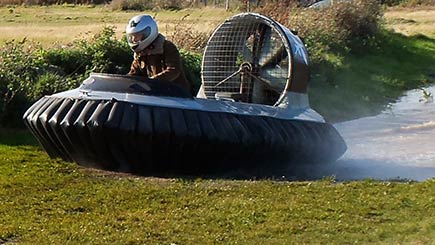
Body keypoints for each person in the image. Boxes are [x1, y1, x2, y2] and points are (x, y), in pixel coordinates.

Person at [126, 14, 191, 92]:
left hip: (176, 95)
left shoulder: (167, 47)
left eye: (137, 36)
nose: (133, 40)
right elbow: (134, 74)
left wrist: (152, 82)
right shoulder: (140, 52)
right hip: (155, 93)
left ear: (147, 33)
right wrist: (125, 83)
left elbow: (174, 70)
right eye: (132, 36)